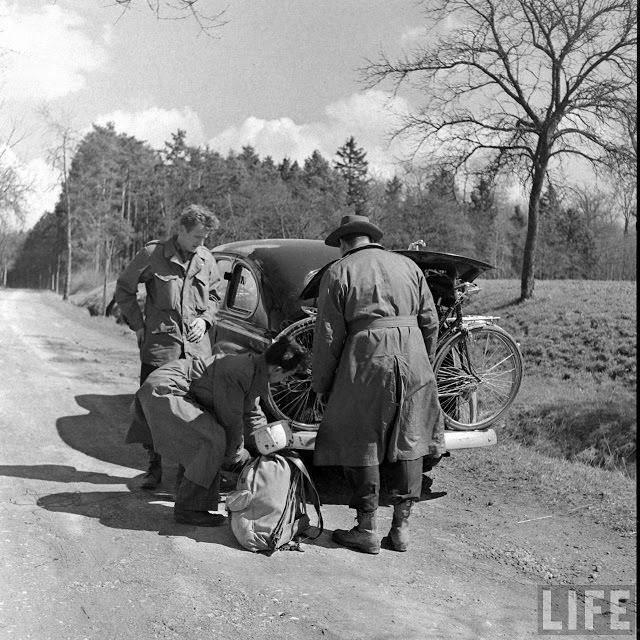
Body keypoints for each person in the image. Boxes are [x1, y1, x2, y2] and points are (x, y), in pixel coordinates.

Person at [311, 214, 446, 554]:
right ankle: (400, 529)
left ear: (344, 242)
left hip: (367, 356)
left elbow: (328, 334)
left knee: (361, 436)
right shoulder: (408, 266)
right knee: (410, 434)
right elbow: (430, 321)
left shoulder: (339, 271)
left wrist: (322, 383)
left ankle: (366, 527)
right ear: (370, 237)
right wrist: (423, 363)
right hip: (413, 354)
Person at [132, 336, 307, 526]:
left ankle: (186, 496)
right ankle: (188, 509)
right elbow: (231, 421)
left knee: (203, 439)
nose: (283, 381)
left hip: (177, 388)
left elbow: (251, 412)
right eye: (286, 376)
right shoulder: (241, 371)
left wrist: (268, 444)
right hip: (166, 388)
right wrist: (239, 456)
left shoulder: (256, 369)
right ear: (278, 369)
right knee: (211, 440)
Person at [114, 204, 222, 489]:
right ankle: (154, 467)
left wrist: (206, 320)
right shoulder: (153, 254)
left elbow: (215, 295)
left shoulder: (206, 258)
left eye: (205, 237)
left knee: (195, 411)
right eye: (197, 236)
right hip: (162, 348)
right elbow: (125, 289)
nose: (202, 242)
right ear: (181, 230)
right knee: (153, 408)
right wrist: (138, 325)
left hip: (197, 352)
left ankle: (186, 475)